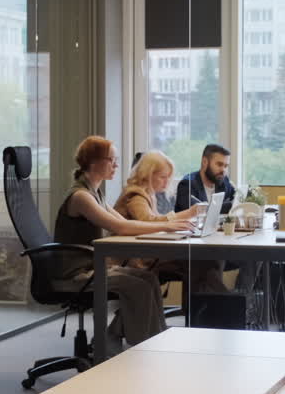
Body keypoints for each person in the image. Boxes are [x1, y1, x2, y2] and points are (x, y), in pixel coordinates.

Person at [54, 136, 194, 352]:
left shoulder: (95, 194)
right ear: (93, 162)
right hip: (76, 274)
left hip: (92, 266)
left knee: (149, 279)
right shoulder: (81, 197)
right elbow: (120, 227)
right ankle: (143, 349)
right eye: (111, 160)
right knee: (139, 286)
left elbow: (125, 223)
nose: (116, 165)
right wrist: (166, 226)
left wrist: (167, 224)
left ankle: (157, 340)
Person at [114, 150, 228, 294]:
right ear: (147, 174)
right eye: (163, 177)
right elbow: (148, 221)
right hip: (136, 258)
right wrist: (189, 213)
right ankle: (221, 300)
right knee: (203, 261)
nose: (167, 181)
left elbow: (155, 223)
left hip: (146, 252)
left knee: (204, 261)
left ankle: (211, 302)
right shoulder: (136, 195)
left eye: (169, 177)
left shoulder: (148, 193)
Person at [174, 143, 235, 213]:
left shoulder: (224, 181)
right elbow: (198, 213)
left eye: (226, 166)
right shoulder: (187, 185)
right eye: (219, 164)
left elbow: (236, 201)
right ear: (204, 162)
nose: (223, 170)